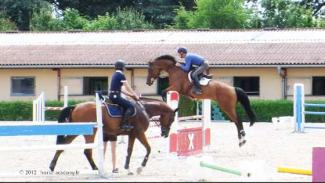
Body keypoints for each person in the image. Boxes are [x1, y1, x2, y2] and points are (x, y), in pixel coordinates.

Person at [109, 59, 140, 131]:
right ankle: (124, 124)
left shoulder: (115, 74)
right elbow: (127, 87)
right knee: (131, 106)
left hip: (113, 95)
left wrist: (131, 95)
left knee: (126, 104)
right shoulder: (121, 75)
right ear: (122, 67)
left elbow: (122, 90)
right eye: (124, 67)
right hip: (116, 97)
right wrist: (135, 95)